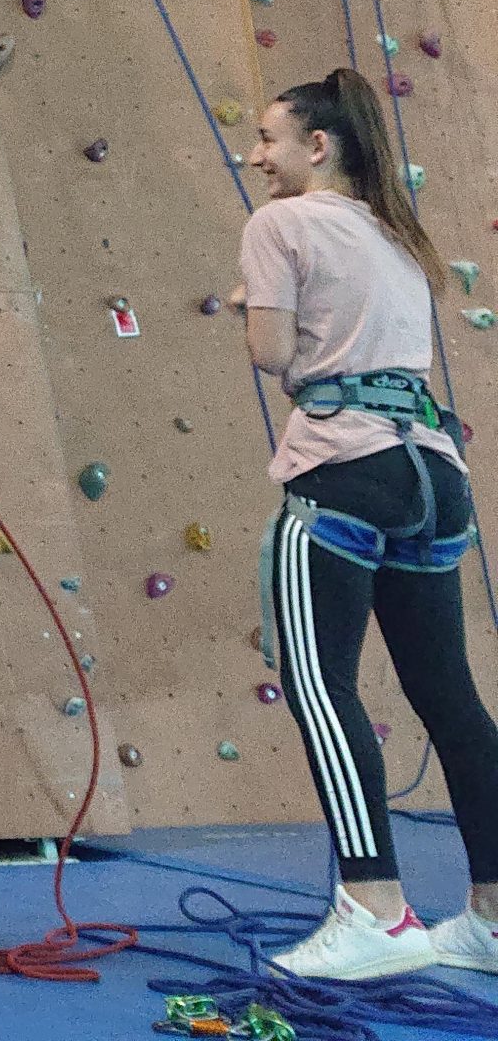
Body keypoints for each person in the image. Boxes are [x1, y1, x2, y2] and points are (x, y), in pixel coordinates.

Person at [233, 69, 498, 981]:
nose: (256, 157)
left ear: (319, 147)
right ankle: (494, 919)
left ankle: (374, 909)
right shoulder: (398, 233)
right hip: (434, 474)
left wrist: (256, 304)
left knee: (321, 687)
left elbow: (273, 354)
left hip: (344, 471)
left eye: (269, 139)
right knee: (451, 697)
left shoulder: (279, 225)